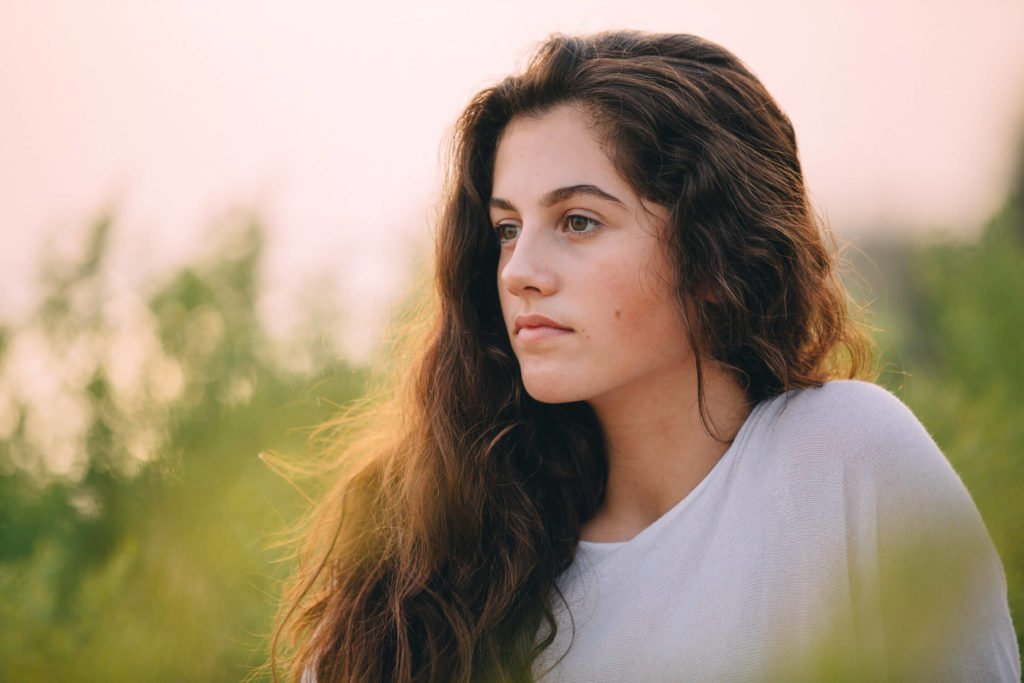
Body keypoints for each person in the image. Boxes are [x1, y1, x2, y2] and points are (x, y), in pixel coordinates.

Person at [273, 31, 1019, 682]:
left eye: (578, 220)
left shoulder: (847, 460)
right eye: (506, 227)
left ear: (711, 244)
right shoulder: (433, 567)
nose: (519, 269)